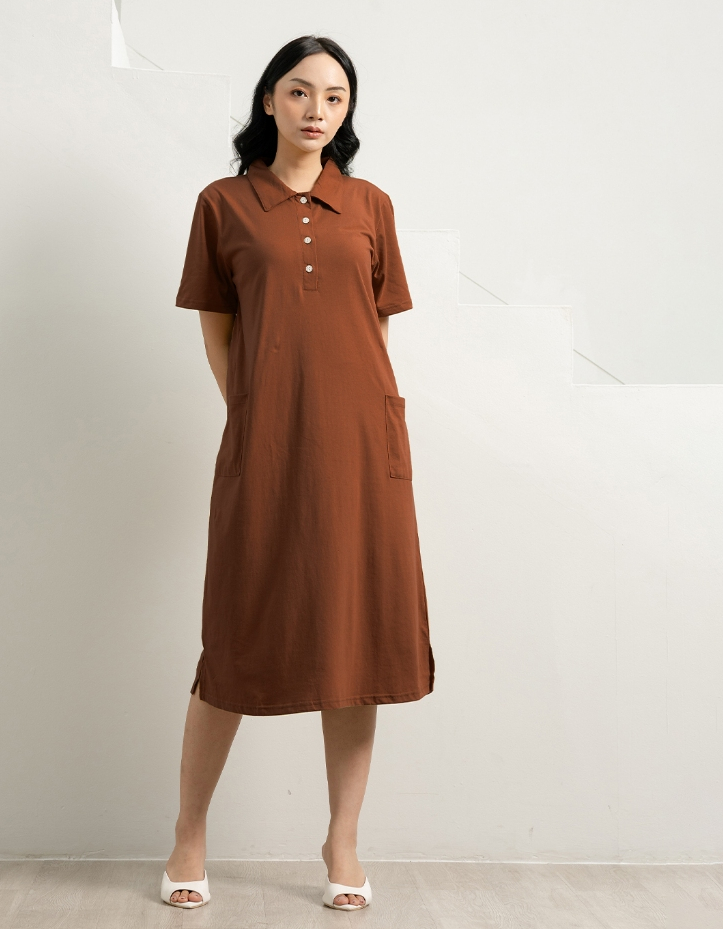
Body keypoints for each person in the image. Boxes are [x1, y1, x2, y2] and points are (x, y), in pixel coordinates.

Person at [160, 34, 434, 912]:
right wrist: (251, 413)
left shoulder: (369, 204)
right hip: (267, 442)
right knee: (236, 637)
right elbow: (216, 326)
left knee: (355, 643)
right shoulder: (223, 204)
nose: (317, 109)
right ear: (269, 100)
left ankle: (341, 841)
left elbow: (375, 328)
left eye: (334, 96)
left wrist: (370, 418)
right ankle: (188, 833)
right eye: (300, 91)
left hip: (362, 446)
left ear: (347, 111)